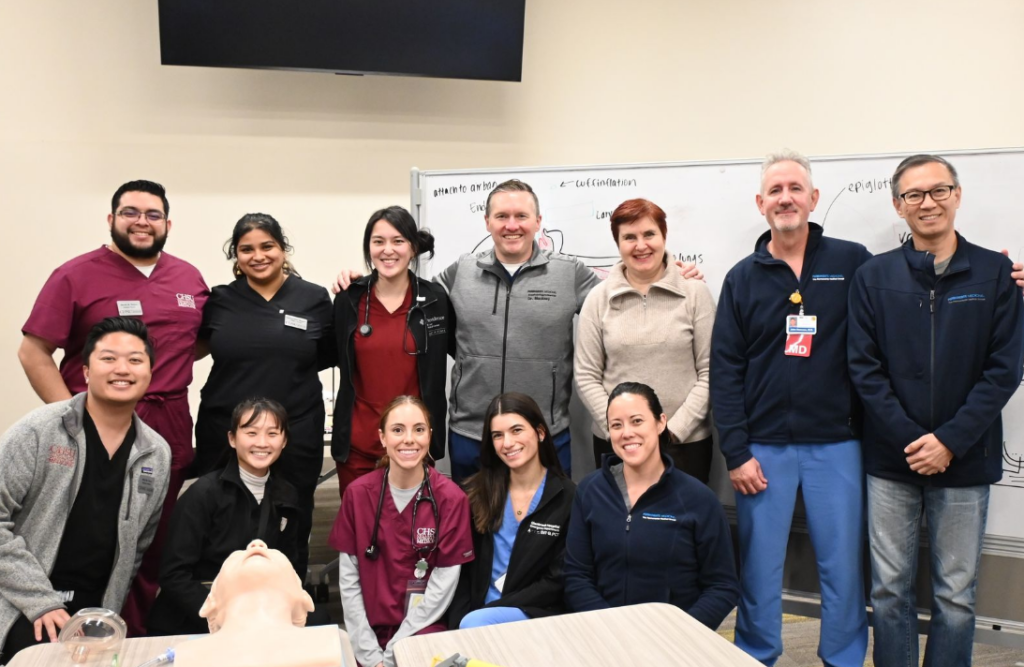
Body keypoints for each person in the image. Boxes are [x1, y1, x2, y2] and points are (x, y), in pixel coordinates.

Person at [336, 180, 703, 481]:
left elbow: (621, 292)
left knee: (543, 535)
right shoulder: (461, 271)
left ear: (538, 221)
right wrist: (361, 283)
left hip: (544, 432)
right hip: (471, 431)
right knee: (472, 534)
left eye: (521, 216)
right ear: (487, 222)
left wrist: (669, 272)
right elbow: (405, 294)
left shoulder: (568, 273)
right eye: (502, 216)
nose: (512, 224)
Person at [848, 154, 1024, 667]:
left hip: (965, 459)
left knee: (955, 596)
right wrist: (912, 440)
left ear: (958, 195)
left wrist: (949, 441)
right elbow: (864, 369)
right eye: (914, 195)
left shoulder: (995, 273)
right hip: (891, 459)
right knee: (888, 593)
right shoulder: (872, 275)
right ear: (897, 205)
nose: (928, 203)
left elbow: (1004, 370)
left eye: (939, 190)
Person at [18, 179, 208, 633]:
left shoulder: (188, 277)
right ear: (111, 219)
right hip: (96, 422)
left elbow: (194, 342)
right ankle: (65, 629)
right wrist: (70, 419)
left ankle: (133, 636)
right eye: (130, 212)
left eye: (152, 214)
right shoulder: (76, 274)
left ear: (167, 223)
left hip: (169, 424)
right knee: (93, 536)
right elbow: (33, 350)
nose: (142, 222)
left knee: (151, 541)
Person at [710, 150, 871, 666]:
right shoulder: (742, 278)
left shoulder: (852, 261)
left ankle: (843, 657)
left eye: (795, 188)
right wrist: (735, 452)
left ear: (813, 198)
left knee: (842, 566)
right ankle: (757, 654)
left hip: (837, 444)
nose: (786, 198)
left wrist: (989, 274)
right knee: (759, 566)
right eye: (775, 190)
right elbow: (726, 371)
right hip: (763, 449)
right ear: (761, 204)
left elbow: (901, 294)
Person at [0, 317, 171, 662]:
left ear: (150, 372)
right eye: (108, 358)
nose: (122, 368)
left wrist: (105, 613)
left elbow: (137, 546)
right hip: (22, 605)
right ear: (86, 371)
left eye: (135, 360)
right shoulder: (39, 431)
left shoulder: (157, 452)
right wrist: (41, 602)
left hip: (95, 617)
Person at [194, 213, 335, 577]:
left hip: (295, 431)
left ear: (283, 248)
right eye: (246, 249)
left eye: (267, 246)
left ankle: (292, 598)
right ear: (235, 256)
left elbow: (328, 353)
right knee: (224, 519)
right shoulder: (221, 300)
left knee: (292, 518)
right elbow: (193, 346)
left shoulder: (314, 298)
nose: (258, 256)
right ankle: (219, 600)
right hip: (225, 430)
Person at [563, 382, 738, 629]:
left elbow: (723, 587)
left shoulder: (698, 499)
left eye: (637, 421)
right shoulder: (589, 491)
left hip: (673, 639)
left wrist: (681, 632)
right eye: (616, 425)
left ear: (660, 422)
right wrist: (609, 627)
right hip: (604, 633)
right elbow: (576, 576)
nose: (626, 433)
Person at [575, 198, 715, 482]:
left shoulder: (695, 293)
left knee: (682, 524)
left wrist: (673, 431)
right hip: (617, 446)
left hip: (685, 444)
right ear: (618, 243)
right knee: (620, 524)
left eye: (649, 234)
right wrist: (619, 430)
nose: (641, 245)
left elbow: (712, 371)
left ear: (663, 236)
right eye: (629, 237)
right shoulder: (598, 299)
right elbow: (586, 375)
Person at [328, 396, 474, 667]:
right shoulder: (357, 495)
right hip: (367, 634)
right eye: (397, 430)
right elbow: (348, 582)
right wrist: (370, 655)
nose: (409, 439)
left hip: (423, 632)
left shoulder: (451, 499)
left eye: (419, 429)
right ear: (382, 437)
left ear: (430, 436)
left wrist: (396, 650)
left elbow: (443, 586)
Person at [148, 397, 302, 636]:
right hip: (200, 616)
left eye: (272, 434)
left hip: (259, 614)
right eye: (251, 433)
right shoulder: (203, 494)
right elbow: (173, 575)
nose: (262, 443)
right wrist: (224, 617)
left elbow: (289, 566)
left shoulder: (287, 495)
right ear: (232, 438)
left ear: (284, 441)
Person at [333, 206, 450, 500]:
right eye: (378, 241)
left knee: (411, 534)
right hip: (359, 445)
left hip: (414, 445)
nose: (388, 250)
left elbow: (461, 352)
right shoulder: (349, 299)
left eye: (398, 241)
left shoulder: (435, 300)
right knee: (361, 533)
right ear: (368, 248)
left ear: (413, 248)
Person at [449, 392, 576, 629]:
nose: (507, 443)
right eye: (498, 435)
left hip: (533, 612)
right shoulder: (477, 493)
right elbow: (462, 572)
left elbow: (557, 580)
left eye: (516, 430)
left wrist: (489, 612)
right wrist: (456, 624)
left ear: (540, 433)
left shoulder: (568, 497)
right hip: (475, 614)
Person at [173, 540, 351, 667]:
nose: (257, 544)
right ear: (210, 603)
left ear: (303, 598)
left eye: (274, 553)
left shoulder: (329, 644)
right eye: (238, 554)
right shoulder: (186, 656)